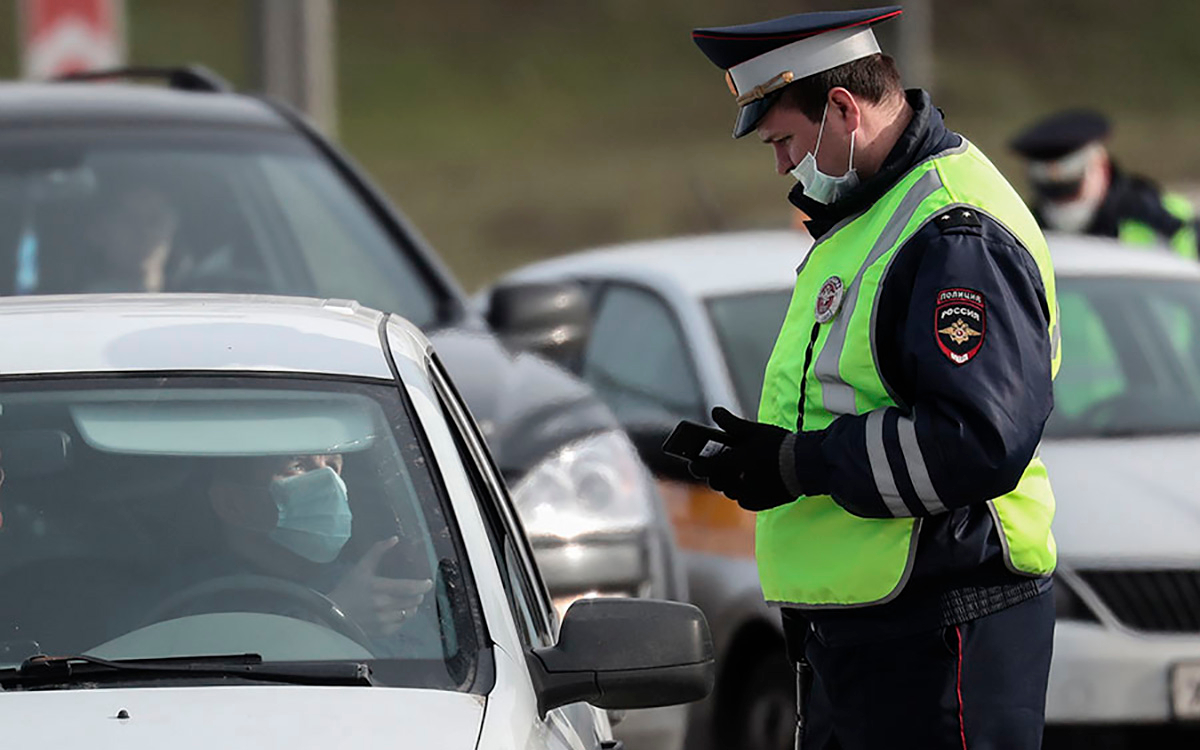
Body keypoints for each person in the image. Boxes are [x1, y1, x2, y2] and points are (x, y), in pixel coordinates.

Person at [687, 6, 1059, 749]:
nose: (782, 165)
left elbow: (975, 440)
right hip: (876, 633)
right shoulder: (874, 210)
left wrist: (799, 465)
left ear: (842, 109)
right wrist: (771, 453)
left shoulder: (954, 230)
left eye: (784, 141)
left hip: (944, 625)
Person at [204, 453, 432, 639]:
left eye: (333, 466)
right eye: (298, 465)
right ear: (232, 504)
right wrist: (330, 621)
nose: (329, 483)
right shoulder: (195, 605)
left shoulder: (367, 586)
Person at [1010, 108, 1199, 259]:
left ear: (1101, 167)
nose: (1063, 203)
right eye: (1052, 194)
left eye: (1073, 190)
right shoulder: (1023, 232)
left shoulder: (1165, 220)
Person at [85, 178, 181, 293]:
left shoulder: (203, 290)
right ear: (98, 232)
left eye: (153, 220)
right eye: (129, 220)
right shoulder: (84, 303)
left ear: (172, 227)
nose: (143, 232)